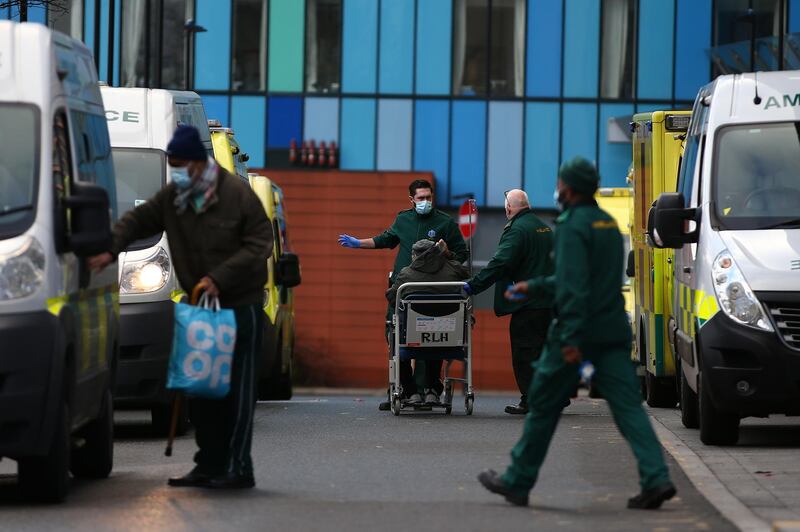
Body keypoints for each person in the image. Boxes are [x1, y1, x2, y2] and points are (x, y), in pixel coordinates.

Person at [477, 157, 676, 510]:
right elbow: (586, 279)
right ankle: (656, 479)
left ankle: (518, 480)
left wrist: (569, 339)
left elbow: (573, 288)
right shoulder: (606, 224)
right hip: (612, 330)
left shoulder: (570, 225)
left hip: (578, 330)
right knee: (629, 408)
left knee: (541, 404)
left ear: (568, 188)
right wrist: (534, 286)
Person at [88, 125, 273, 490]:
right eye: (171, 163)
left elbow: (260, 244)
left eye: (179, 163)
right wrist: (111, 247)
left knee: (236, 392)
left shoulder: (236, 194)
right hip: (201, 309)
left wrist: (220, 277)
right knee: (202, 389)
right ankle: (208, 465)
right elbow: (137, 220)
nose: (174, 170)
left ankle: (238, 468)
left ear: (198, 164)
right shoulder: (176, 197)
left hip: (239, 307)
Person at [338, 179, 467, 408]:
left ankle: (430, 388)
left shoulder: (444, 222)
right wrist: (359, 243)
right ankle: (404, 388)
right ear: (411, 200)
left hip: (434, 287)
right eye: (421, 198)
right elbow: (385, 239)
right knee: (398, 335)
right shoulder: (403, 219)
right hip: (405, 288)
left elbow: (461, 254)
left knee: (432, 336)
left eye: (429, 197)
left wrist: (447, 253)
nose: (425, 202)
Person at [464, 190, 554, 415]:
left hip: (527, 303)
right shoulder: (545, 228)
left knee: (525, 353)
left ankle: (530, 400)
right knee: (545, 350)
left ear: (508, 208)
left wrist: (474, 285)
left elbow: (500, 263)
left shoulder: (517, 230)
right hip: (550, 301)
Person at [386, 239, 469, 405]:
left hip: (413, 336)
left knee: (399, 335)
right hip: (448, 338)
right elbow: (469, 275)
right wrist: (448, 255)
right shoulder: (452, 269)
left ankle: (410, 391)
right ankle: (432, 390)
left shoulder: (407, 274)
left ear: (415, 256)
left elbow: (391, 297)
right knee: (437, 328)